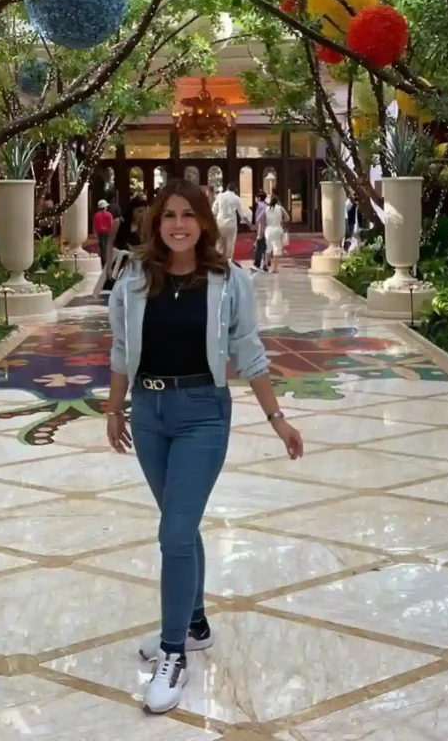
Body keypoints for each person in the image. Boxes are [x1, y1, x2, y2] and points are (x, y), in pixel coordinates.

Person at [106, 179, 304, 715]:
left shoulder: (227, 281)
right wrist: (114, 407)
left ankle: (173, 655)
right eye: (168, 215)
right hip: (149, 415)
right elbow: (123, 350)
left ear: (203, 223)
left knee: (172, 531)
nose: (177, 224)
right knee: (181, 523)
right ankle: (193, 624)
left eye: (187, 215)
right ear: (155, 223)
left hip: (203, 414)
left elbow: (250, 352)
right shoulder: (133, 280)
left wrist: (277, 419)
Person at [100, 194, 148, 291]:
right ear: (132, 210)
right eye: (139, 211)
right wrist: (108, 265)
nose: (141, 215)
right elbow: (110, 244)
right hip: (120, 264)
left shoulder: (144, 226)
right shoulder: (119, 223)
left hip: (137, 266)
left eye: (144, 212)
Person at [211, 182, 248, 261]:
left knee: (219, 243)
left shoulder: (220, 196)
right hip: (231, 224)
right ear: (235, 189)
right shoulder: (236, 198)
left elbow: (214, 210)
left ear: (227, 188)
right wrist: (250, 224)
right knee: (230, 243)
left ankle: (218, 261)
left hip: (220, 223)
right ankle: (228, 261)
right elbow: (241, 213)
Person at [264, 194, 289, 274]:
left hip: (268, 229)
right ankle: (275, 268)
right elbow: (287, 218)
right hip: (277, 229)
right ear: (277, 201)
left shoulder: (266, 209)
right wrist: (281, 219)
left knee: (268, 248)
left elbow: (261, 218)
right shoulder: (280, 208)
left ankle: (265, 264)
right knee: (277, 248)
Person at [251, 189, 268, 273]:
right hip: (267, 228)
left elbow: (260, 220)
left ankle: (257, 264)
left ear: (258, 198)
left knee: (259, 246)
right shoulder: (266, 205)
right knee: (265, 246)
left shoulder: (260, 206)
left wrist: (258, 230)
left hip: (262, 228)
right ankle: (266, 262)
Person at [93, 199, 113, 267]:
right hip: (107, 233)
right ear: (105, 207)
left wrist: (95, 233)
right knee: (108, 247)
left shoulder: (96, 215)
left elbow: (94, 225)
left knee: (102, 248)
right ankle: (108, 261)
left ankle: (103, 262)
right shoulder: (109, 214)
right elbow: (111, 224)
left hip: (100, 233)